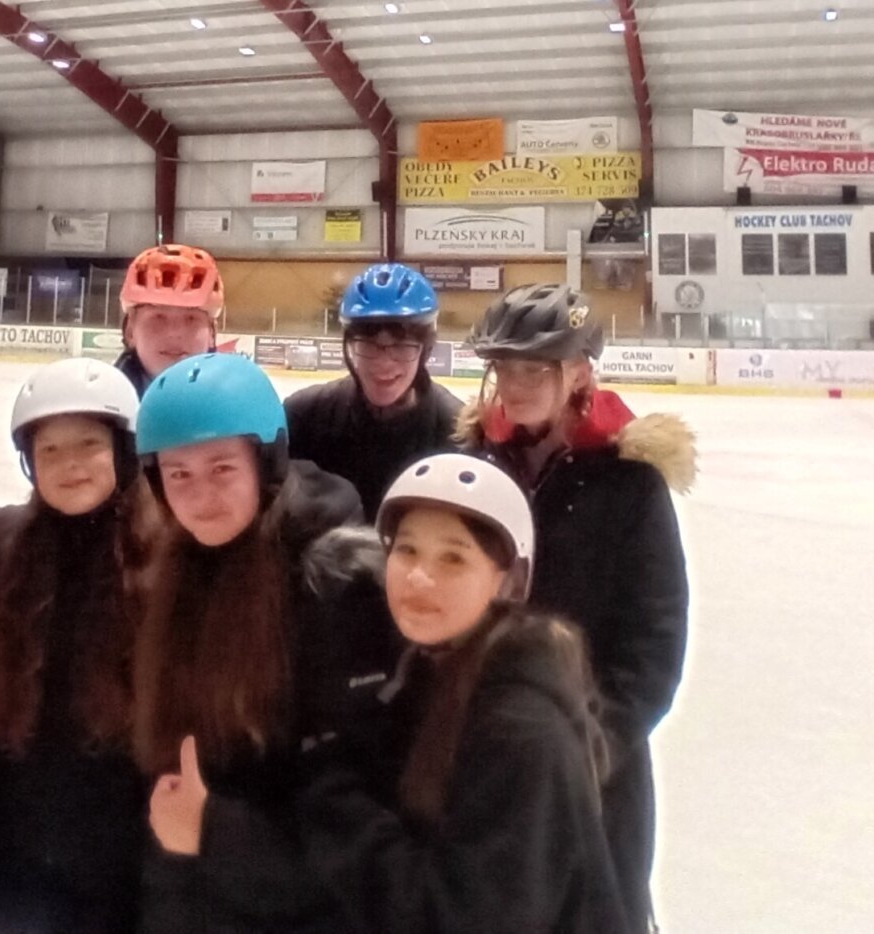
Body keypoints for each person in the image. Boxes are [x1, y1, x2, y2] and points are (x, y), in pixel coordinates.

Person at [279, 452, 632, 934]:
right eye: (406, 550)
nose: (419, 576)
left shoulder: (521, 731)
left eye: (453, 557)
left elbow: (454, 918)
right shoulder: (429, 676)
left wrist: (333, 802)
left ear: (507, 580)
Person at [130, 353, 397, 933]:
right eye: (179, 475)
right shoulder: (180, 572)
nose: (201, 495)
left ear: (267, 464)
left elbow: (356, 814)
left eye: (222, 468)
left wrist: (213, 831)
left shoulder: (335, 590)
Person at [457, 283, 695, 933]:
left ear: (580, 373)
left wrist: (590, 747)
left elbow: (653, 644)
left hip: (594, 775)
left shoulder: (631, 483)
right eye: (504, 367)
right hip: (481, 752)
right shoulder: (473, 464)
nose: (514, 385)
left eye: (535, 369)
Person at [0, 359, 164, 934]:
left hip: (125, 873)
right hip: (16, 868)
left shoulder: (168, 560)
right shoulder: (2, 544)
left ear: (124, 450)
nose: (69, 464)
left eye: (88, 445)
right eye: (49, 450)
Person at [285, 263, 462, 519]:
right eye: (368, 344)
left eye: (401, 346)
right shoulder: (304, 416)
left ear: (426, 349)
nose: (383, 363)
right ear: (349, 345)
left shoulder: (456, 432)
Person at [114, 245, 224, 395]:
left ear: (212, 333)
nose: (174, 333)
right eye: (158, 317)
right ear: (130, 332)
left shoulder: (239, 405)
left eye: (191, 318)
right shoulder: (94, 403)